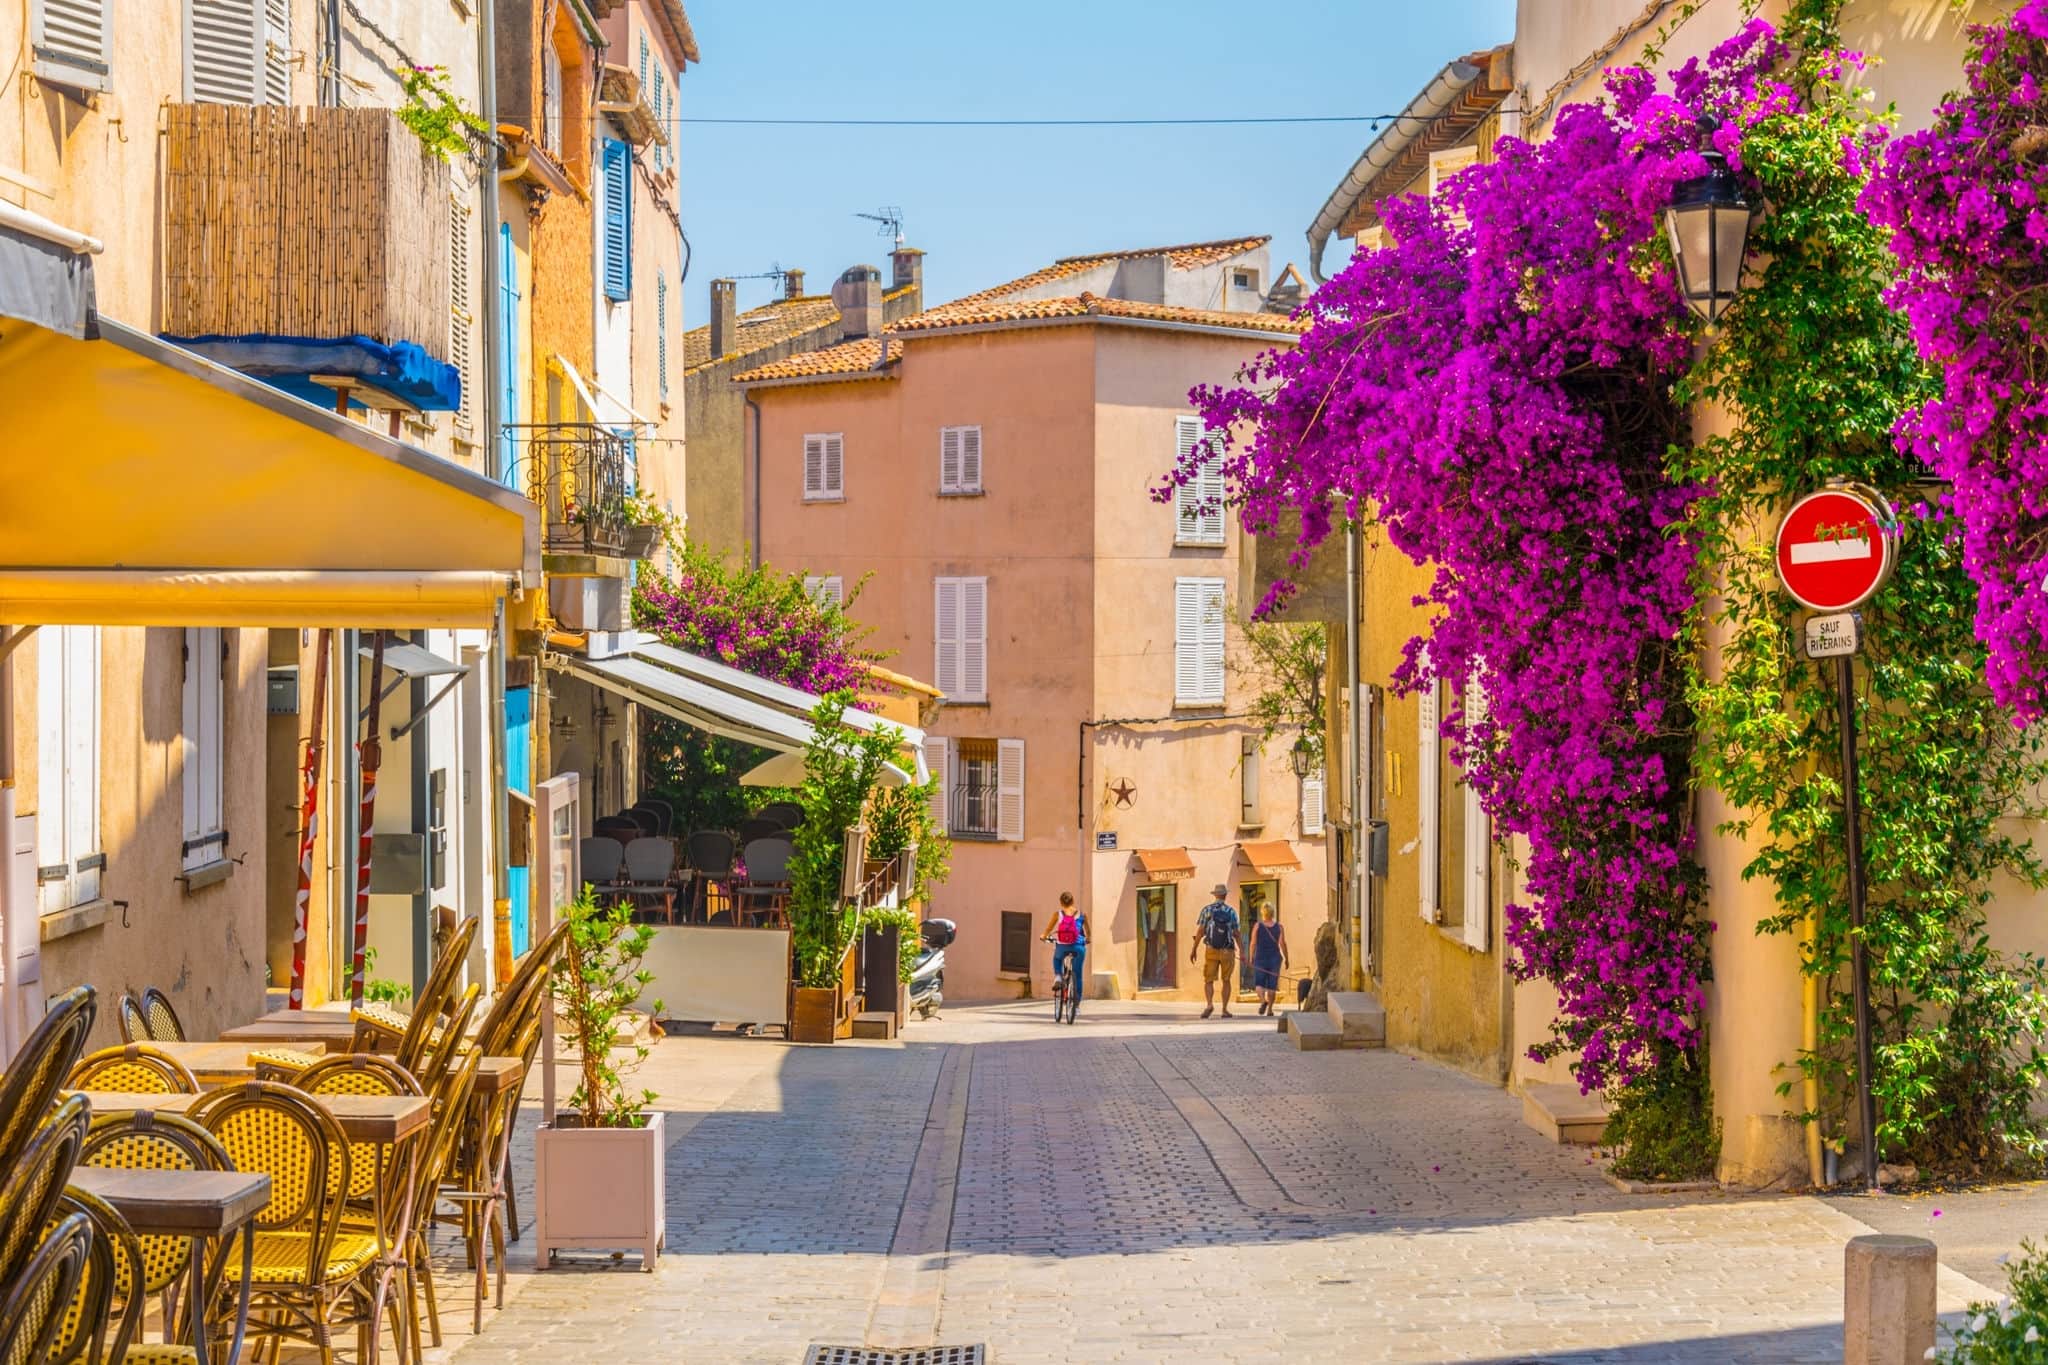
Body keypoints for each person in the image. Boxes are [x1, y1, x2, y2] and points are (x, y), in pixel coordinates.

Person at [1191, 883, 1241, 1019]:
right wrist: (1243, 952)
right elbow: (1236, 933)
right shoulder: (1231, 912)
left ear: (1215, 895)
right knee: (1226, 980)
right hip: (1227, 950)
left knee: (1208, 979)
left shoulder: (1207, 910)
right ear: (1225, 895)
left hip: (1211, 949)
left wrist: (1194, 949)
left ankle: (1209, 1004)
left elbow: (1200, 931)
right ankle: (1224, 1009)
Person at [1041, 891, 1088, 1007]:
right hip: (1078, 947)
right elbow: (1089, 933)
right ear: (1073, 902)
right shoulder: (1082, 914)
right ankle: (1076, 1006)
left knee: (1057, 959)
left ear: (1061, 903)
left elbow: (1047, 930)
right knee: (1078, 975)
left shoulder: (1058, 914)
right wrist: (1088, 939)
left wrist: (1044, 936)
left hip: (1062, 945)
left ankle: (1058, 977)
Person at [1247, 903, 1289, 1016]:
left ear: (1263, 913)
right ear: (1273, 913)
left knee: (1259, 984)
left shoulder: (1257, 926)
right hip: (1274, 958)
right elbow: (1282, 944)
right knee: (1272, 985)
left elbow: (1253, 943)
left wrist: (1251, 957)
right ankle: (1270, 1009)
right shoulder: (1279, 927)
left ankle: (1263, 1001)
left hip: (1260, 958)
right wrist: (1286, 958)